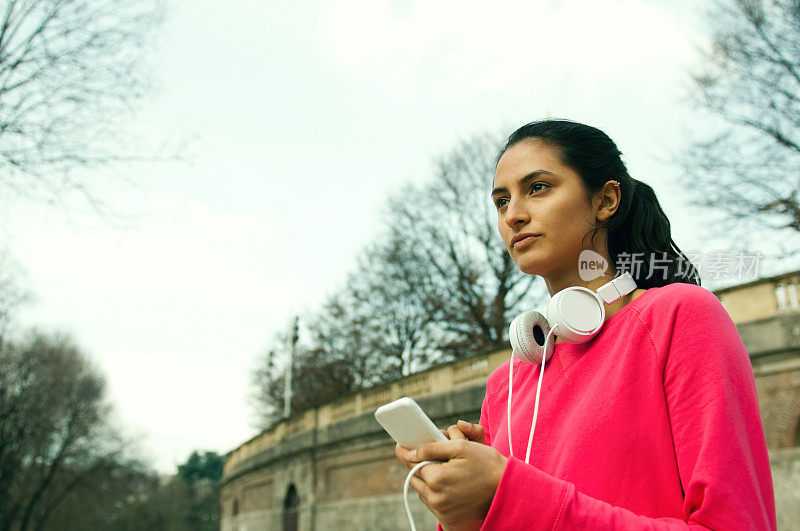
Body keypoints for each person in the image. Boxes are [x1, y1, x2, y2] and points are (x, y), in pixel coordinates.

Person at [394, 119, 776, 530]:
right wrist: (467, 512)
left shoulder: (680, 316)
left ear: (606, 200)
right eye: (501, 202)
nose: (514, 215)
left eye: (537, 187)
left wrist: (507, 491)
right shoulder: (507, 383)